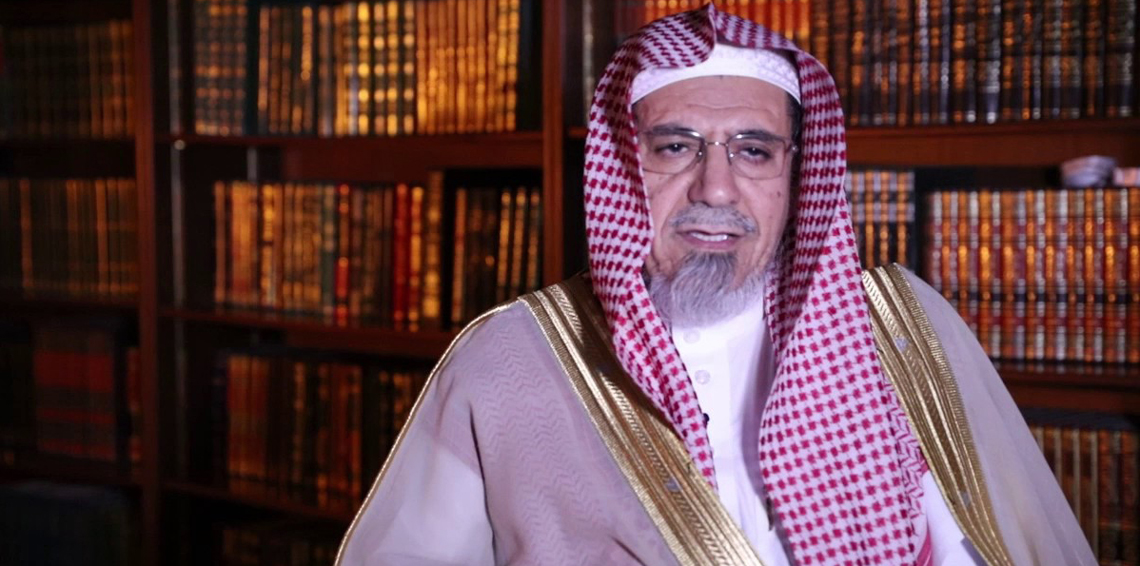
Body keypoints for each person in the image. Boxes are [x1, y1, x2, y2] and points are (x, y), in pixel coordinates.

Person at [336, 5, 1095, 565]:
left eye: (754, 151)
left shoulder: (901, 332)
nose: (718, 188)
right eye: (676, 146)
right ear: (620, 166)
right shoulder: (504, 359)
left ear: (796, 172)